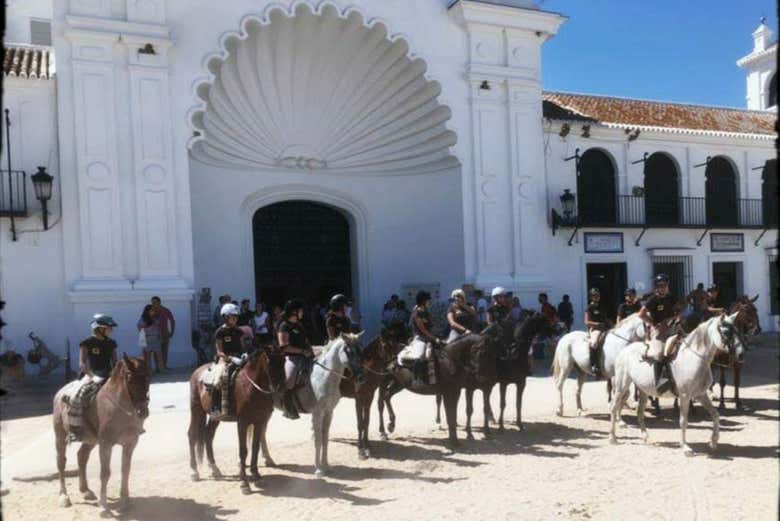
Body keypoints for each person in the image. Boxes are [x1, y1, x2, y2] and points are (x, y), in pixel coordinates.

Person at [68, 314, 119, 441]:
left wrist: (115, 373)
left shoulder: (111, 343)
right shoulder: (87, 343)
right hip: (91, 375)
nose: (111, 330)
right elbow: (82, 363)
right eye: (109, 328)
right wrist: (92, 376)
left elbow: (115, 362)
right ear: (100, 329)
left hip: (108, 374)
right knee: (78, 396)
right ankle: (75, 429)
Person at [638, 274, 683, 390]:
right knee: (659, 353)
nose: (663, 288)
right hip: (658, 331)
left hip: (672, 328)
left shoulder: (672, 298)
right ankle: (660, 381)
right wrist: (654, 324)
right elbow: (641, 314)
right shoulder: (652, 299)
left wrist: (673, 320)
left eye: (665, 285)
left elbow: (679, 313)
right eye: (660, 286)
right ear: (656, 287)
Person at [277, 300, 313, 419]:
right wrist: (302, 351)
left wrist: (311, 350)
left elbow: (305, 341)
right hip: (290, 357)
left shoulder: (299, 325)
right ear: (294, 312)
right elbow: (284, 346)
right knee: (289, 379)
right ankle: (287, 406)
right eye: (300, 310)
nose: (302, 313)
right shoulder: (284, 326)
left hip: (304, 355)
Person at [397, 291, 441, 385]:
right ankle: (416, 379)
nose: (430, 302)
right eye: (428, 300)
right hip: (420, 338)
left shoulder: (426, 312)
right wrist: (434, 338)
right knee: (420, 355)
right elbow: (423, 330)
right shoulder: (417, 313)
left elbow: (432, 325)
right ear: (423, 301)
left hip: (430, 337)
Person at [211, 303, 247, 418]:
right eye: (233, 316)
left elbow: (242, 346)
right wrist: (231, 358)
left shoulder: (239, 331)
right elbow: (219, 351)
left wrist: (245, 354)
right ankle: (215, 407)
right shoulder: (220, 332)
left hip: (239, 357)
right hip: (224, 359)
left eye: (236, 317)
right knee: (219, 378)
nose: (235, 319)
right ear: (225, 317)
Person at [584, 288, 611, 376]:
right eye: (594, 295)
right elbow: (587, 322)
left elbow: (605, 318)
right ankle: (593, 364)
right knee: (594, 343)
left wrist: (613, 325)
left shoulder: (602, 306)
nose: (596, 297)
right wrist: (598, 324)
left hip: (604, 328)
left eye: (598, 295)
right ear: (591, 297)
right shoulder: (589, 308)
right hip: (595, 329)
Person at [138, 304, 164, 373]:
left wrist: (160, 336)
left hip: (156, 338)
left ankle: (160, 369)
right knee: (148, 357)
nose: (153, 311)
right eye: (152, 310)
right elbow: (140, 328)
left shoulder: (155, 318)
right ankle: (149, 371)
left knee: (159, 356)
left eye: (154, 310)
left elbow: (159, 328)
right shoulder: (142, 319)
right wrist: (150, 327)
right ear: (147, 311)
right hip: (148, 339)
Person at [151, 296, 175, 370]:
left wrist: (172, 331)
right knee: (156, 351)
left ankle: (164, 365)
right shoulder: (152, 311)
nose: (153, 304)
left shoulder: (165, 310)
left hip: (165, 333)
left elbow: (172, 320)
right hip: (155, 334)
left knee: (164, 350)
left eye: (154, 302)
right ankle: (158, 367)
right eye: (152, 302)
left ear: (159, 302)